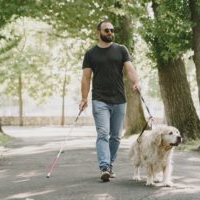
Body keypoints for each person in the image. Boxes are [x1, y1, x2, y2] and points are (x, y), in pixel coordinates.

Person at [79, 19, 141, 182]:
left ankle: (110, 164)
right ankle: (104, 167)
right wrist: (84, 98)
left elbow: (130, 69)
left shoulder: (121, 50)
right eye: (107, 30)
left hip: (119, 99)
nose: (110, 33)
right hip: (100, 99)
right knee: (103, 133)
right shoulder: (91, 54)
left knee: (116, 136)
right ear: (98, 32)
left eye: (112, 30)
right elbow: (86, 78)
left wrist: (136, 82)